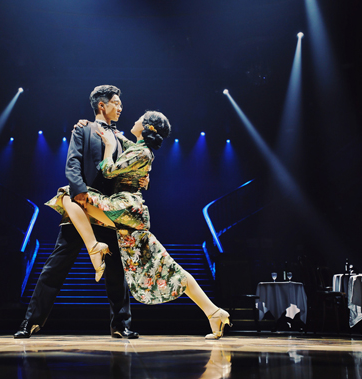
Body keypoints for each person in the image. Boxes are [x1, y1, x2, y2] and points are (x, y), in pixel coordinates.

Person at [46, 111, 231, 339]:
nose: (134, 120)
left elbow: (108, 170)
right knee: (170, 268)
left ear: (148, 128)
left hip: (126, 208)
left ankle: (94, 247)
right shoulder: (138, 148)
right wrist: (87, 124)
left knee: (68, 194)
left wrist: (109, 147)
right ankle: (214, 312)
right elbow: (117, 137)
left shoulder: (142, 152)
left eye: (140, 119)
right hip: (130, 216)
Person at [14, 85, 139, 339]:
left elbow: (124, 171)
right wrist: (79, 191)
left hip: (108, 210)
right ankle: (30, 322)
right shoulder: (83, 129)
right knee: (56, 265)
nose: (120, 107)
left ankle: (121, 325)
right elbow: (72, 163)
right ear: (102, 105)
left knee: (116, 268)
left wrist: (137, 181)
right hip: (81, 206)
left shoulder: (120, 138)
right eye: (116, 103)